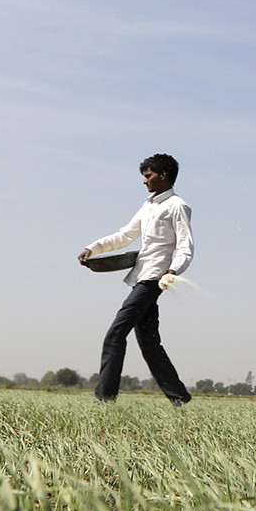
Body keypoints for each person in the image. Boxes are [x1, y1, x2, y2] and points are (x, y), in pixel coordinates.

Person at [78, 154, 194, 406]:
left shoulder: (178, 206)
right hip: (139, 277)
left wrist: (173, 270)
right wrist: (93, 248)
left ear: (164, 175)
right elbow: (125, 235)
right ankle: (180, 398)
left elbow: (185, 246)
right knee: (150, 344)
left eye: (148, 175)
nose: (144, 181)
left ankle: (104, 401)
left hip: (154, 278)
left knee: (116, 333)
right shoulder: (149, 206)